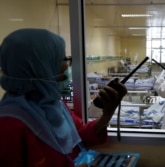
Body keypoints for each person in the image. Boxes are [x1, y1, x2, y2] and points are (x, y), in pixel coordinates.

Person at [0, 28, 127, 167]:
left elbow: (79, 136)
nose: (66, 66)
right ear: (37, 67)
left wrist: (107, 114)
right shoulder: (8, 126)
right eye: (60, 59)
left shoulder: (54, 104)